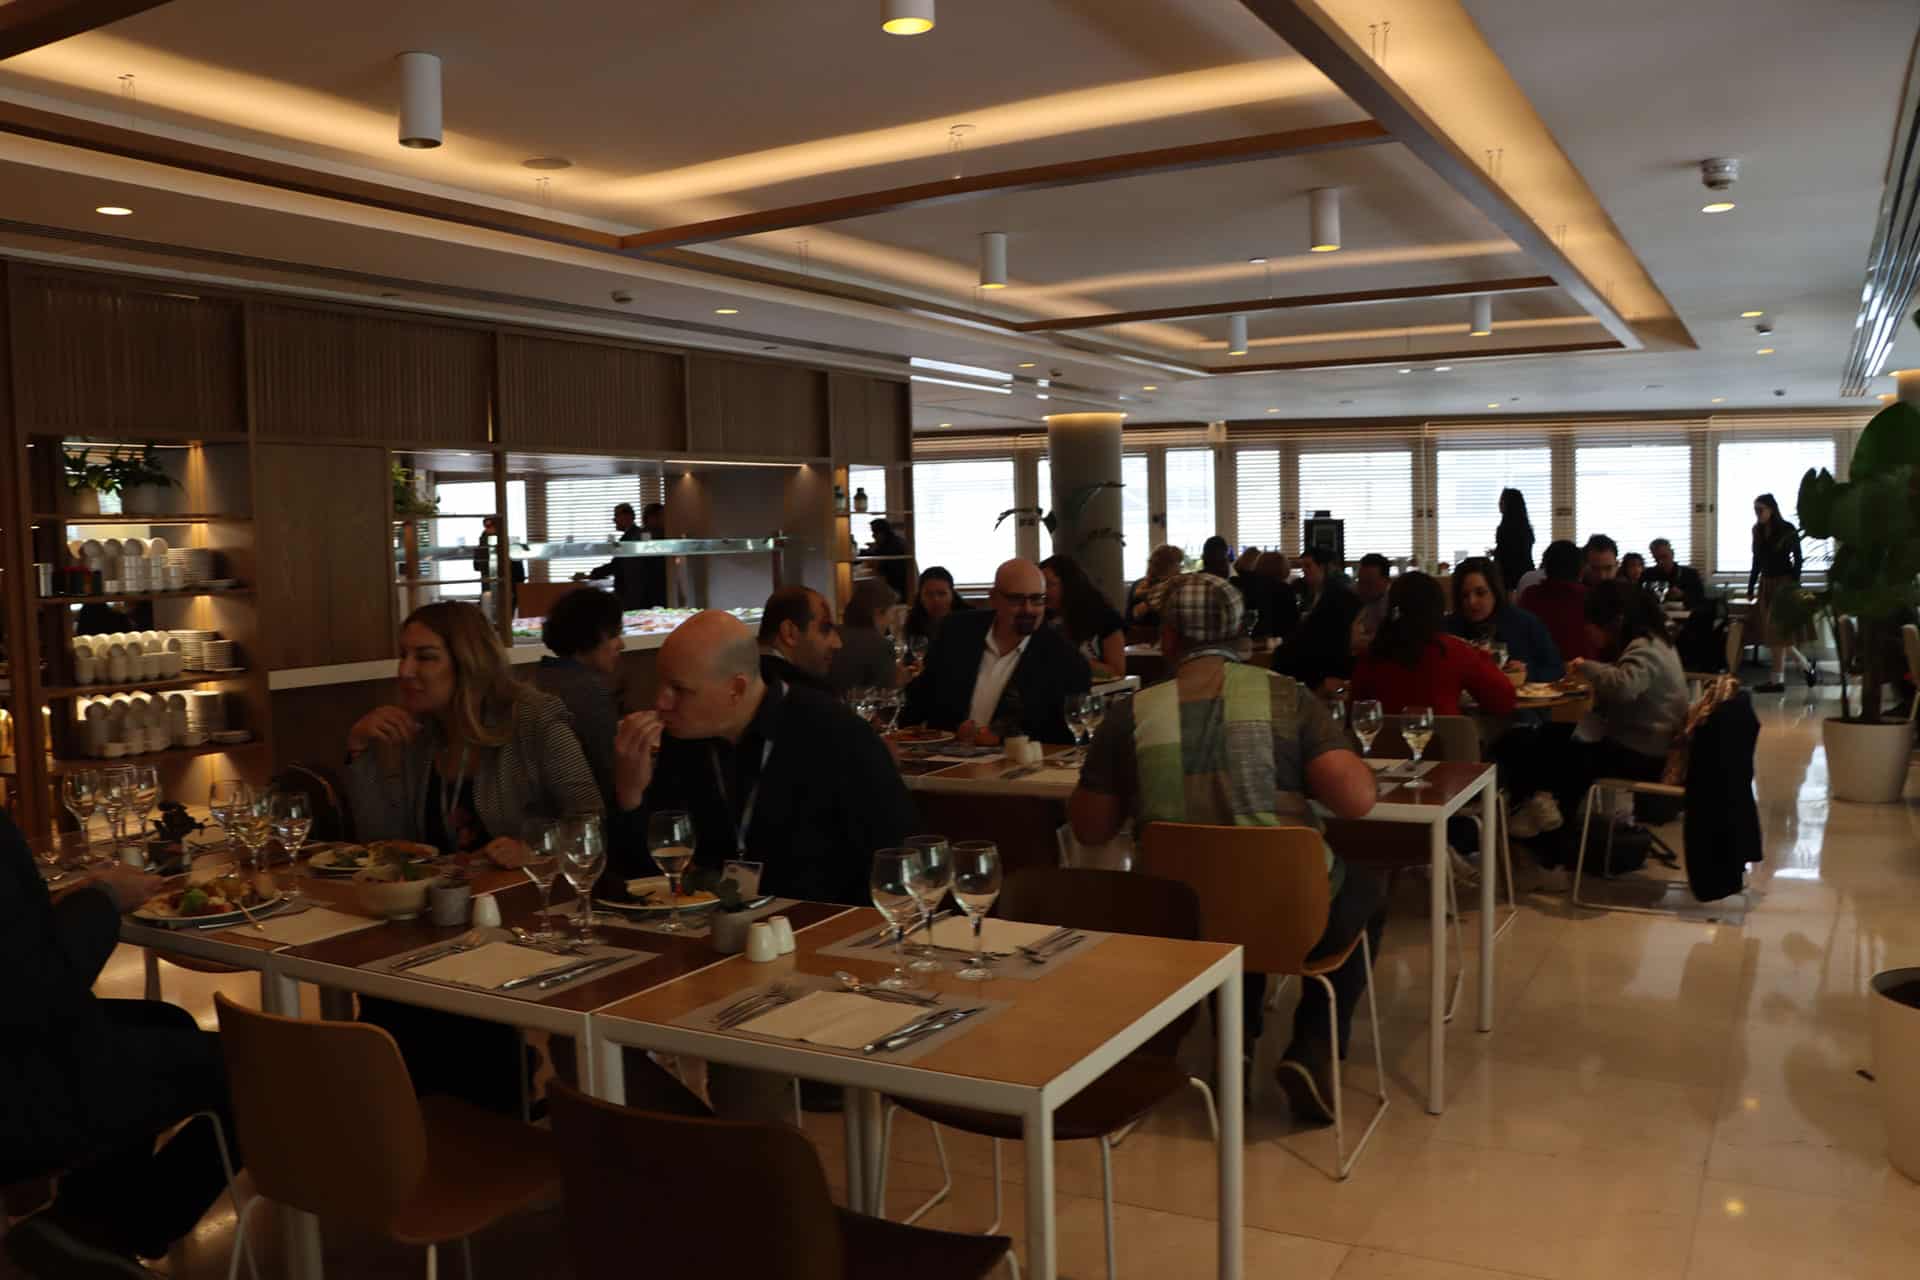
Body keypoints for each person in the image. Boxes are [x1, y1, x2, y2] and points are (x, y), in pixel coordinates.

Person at [1067, 573, 1382, 1123]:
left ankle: (1235, 1043)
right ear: (1242, 637)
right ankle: (1312, 1045)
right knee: (1364, 886)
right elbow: (1356, 801)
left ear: (1168, 638)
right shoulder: (1289, 699)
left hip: (1179, 926)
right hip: (1290, 918)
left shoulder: (1130, 714)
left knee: (1219, 891)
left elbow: (1090, 829)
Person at [345, 601, 603, 1115]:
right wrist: (360, 752)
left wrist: (535, 848)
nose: (406, 671)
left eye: (425, 657)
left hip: (527, 918)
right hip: (442, 924)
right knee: (383, 994)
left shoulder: (534, 719)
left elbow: (591, 820)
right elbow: (385, 844)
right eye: (403, 655)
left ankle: (477, 1124)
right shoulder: (422, 731)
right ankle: (415, 1128)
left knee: (430, 1012)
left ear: (466, 662)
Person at [1, 810, 241, 1277]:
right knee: (247, 1063)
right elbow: (45, 986)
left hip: (18, 1044)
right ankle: (124, 1230)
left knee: (167, 1023)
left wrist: (63, 903)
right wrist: (104, 899)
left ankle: (81, 1222)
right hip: (21, 1083)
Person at [608, 611, 914, 907]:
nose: (661, 702)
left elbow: (896, 867)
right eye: (661, 684)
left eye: (679, 689)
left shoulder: (836, 735)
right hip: (711, 927)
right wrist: (630, 796)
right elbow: (644, 881)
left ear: (736, 688)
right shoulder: (682, 739)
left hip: (818, 924)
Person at [1533, 580, 1691, 863]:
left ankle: (1553, 838)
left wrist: (1585, 666)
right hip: (1650, 746)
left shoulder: (1644, 647)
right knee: (1555, 738)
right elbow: (1624, 677)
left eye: (1591, 625)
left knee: (1562, 756)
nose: (1588, 632)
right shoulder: (1656, 641)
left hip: (1646, 755)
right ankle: (1553, 826)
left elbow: (1623, 685)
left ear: (1615, 621)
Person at [903, 558, 1091, 744]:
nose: (1028, 609)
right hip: (943, 757)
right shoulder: (957, 632)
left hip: (1017, 761)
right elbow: (920, 701)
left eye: (1036, 599)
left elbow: (1069, 737)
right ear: (993, 598)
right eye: (1016, 599)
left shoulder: (1066, 660)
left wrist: (1003, 739)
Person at [1350, 572, 1518, 717]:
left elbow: (1355, 714)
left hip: (1382, 744)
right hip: (1446, 744)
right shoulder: (1452, 651)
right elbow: (1504, 700)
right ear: (1437, 610)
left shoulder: (1370, 655)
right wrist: (1480, 656)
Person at [531, 587, 627, 807]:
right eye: (614, 635)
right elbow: (610, 777)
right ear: (588, 636)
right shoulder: (588, 692)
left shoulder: (541, 677)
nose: (621, 644)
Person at [1444, 557, 1564, 683]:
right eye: (1464, 595)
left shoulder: (1524, 623)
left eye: (1480, 593)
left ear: (1495, 592)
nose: (1472, 602)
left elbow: (1556, 669)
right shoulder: (1448, 629)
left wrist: (1527, 673)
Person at [1749, 492, 1815, 692]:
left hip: (1784, 583)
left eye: (1760, 509)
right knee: (1776, 634)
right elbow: (1756, 560)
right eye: (1755, 510)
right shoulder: (1757, 530)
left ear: (1771, 509)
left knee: (1776, 632)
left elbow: (1798, 557)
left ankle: (1777, 680)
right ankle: (1805, 667)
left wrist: (1794, 581)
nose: (1757, 513)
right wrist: (1751, 585)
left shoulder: (1787, 528)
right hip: (1766, 583)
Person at [1040, 552, 1126, 677]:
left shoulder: (1104, 617)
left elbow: (1117, 671)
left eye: (1049, 584)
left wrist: (1071, 659)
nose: (1043, 592)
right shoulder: (1040, 619)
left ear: (1069, 584)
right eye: (1041, 585)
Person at [1273, 587, 1363, 694]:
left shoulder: (1287, 652)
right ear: (1344, 624)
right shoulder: (1345, 664)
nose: (1362, 629)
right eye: (1358, 622)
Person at [581, 501, 669, 610]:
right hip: (635, 596)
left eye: (616, 515)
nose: (614, 520)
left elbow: (619, 565)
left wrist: (595, 573)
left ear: (627, 516)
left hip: (636, 597)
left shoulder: (635, 537)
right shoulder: (631, 536)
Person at [1518, 540, 1593, 663]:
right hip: (1582, 668)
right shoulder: (1588, 597)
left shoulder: (1529, 595)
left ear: (1545, 568)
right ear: (1581, 570)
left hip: (1538, 668)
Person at [757, 585, 840, 695]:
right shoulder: (808, 694)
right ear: (790, 633)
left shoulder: (745, 675)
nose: (838, 643)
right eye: (825, 628)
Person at [829, 578, 902, 693]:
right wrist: (900, 681)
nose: (892, 619)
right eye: (891, 613)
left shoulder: (832, 634)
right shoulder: (881, 646)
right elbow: (886, 695)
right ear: (878, 612)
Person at [472, 515, 527, 618]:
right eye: (487, 526)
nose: (488, 529)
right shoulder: (486, 543)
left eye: (491, 526)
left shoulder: (508, 545)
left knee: (502, 617)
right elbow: (477, 566)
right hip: (495, 589)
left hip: (505, 588)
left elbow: (519, 573)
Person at [903, 566, 969, 646]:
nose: (935, 599)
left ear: (952, 595)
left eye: (942, 593)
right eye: (929, 594)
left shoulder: (969, 619)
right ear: (920, 597)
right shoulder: (912, 620)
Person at [1126, 544, 1186, 627]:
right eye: (1179, 563)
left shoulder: (1140, 583)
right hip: (1149, 633)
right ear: (1167, 566)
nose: (1181, 568)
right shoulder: (1145, 586)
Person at [1644, 538, 1707, 609]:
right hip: (1657, 613)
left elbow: (1700, 600)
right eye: (1656, 559)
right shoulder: (1648, 574)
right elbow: (1643, 599)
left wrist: (1683, 595)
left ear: (1672, 553)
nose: (1661, 562)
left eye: (1664, 557)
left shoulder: (1690, 574)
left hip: (1686, 613)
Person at [1494, 487, 1536, 593]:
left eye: (1502, 501)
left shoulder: (1504, 528)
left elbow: (1507, 556)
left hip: (1510, 578)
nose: (1499, 504)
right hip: (1527, 575)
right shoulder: (1526, 527)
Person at [860, 518, 912, 599]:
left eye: (874, 533)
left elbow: (878, 565)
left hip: (898, 589)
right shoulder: (894, 541)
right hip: (898, 586)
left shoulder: (892, 546)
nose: (873, 536)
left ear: (882, 533)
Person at [1255, 552, 1300, 640]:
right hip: (1281, 636)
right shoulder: (1284, 589)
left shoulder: (1256, 587)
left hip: (1260, 633)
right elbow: (1293, 620)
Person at [1296, 545, 1350, 615]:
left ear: (1322, 567)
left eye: (1307, 566)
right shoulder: (1306, 587)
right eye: (1301, 566)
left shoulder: (1338, 591)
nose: (1303, 570)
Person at [1353, 553, 1391, 638]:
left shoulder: (1392, 609)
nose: (1362, 588)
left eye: (1369, 583)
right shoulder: (1353, 601)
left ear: (1386, 581)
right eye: (1360, 581)